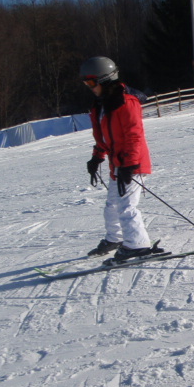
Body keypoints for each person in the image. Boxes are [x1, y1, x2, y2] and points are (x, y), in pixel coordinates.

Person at [80, 56, 158, 261]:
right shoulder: (102, 104)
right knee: (112, 205)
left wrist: (130, 164)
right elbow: (104, 136)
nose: (89, 87)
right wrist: (97, 157)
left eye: (91, 82)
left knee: (126, 206)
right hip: (118, 164)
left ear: (105, 79)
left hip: (132, 164)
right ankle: (114, 238)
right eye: (86, 83)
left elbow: (135, 136)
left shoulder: (126, 102)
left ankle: (137, 245)